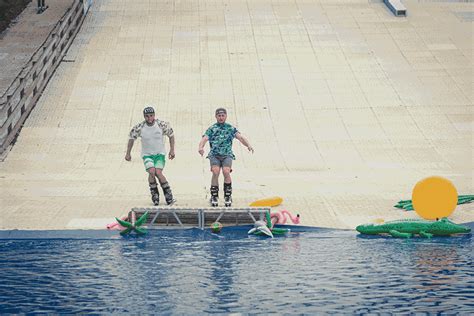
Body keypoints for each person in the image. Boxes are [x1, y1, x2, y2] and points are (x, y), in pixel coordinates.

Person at [198, 108, 254, 207]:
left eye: (223, 116)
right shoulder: (212, 128)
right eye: (219, 116)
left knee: (226, 171)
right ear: (216, 116)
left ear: (226, 116)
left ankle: (227, 195)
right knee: (215, 172)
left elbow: (240, 137)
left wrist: (248, 145)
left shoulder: (230, 128)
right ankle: (214, 195)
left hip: (227, 154)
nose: (221, 117)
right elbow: (205, 138)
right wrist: (200, 147)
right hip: (215, 155)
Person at [125, 106, 176, 206]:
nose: (149, 118)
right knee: (152, 171)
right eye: (147, 116)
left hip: (159, 154)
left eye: (151, 116)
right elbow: (131, 138)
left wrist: (172, 150)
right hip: (147, 155)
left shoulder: (161, 125)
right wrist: (128, 153)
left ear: (154, 115)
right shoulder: (140, 127)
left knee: (158, 172)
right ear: (144, 116)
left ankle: (168, 192)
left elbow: (171, 134)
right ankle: (154, 192)